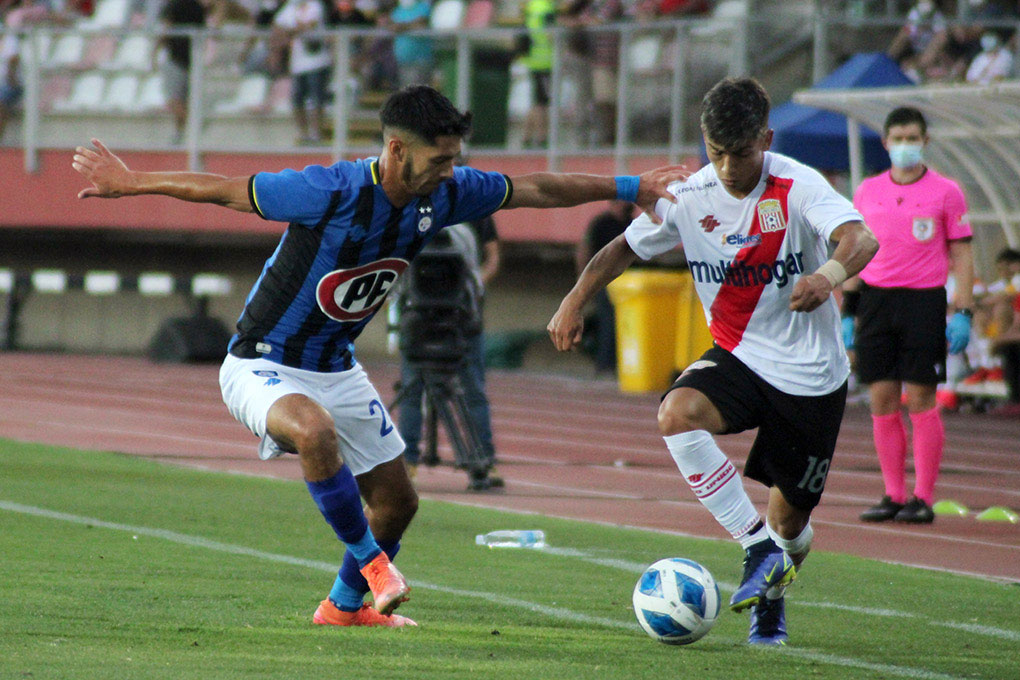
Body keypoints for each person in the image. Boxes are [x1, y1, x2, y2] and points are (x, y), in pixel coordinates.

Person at [72, 84, 685, 629]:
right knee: (315, 432)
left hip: (336, 366)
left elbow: (536, 188)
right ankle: (373, 567)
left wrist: (630, 187)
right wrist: (131, 182)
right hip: (263, 361)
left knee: (398, 501)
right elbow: (224, 191)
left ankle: (343, 608)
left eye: (454, 158)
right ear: (396, 151)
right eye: (439, 159)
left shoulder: (445, 193)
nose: (450, 171)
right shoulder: (330, 190)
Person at [550, 77, 878, 646]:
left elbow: (861, 239)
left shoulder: (798, 185)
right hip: (739, 356)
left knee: (790, 525)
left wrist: (827, 276)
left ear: (765, 140)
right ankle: (756, 549)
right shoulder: (690, 195)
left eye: (741, 153)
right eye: (716, 152)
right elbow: (622, 247)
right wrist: (574, 299)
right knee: (676, 412)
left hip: (811, 376)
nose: (727, 167)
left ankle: (772, 588)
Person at [846, 106, 974, 525]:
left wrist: (963, 310)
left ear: (924, 141)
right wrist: (848, 310)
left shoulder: (946, 191)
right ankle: (893, 493)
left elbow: (962, 254)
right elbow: (855, 249)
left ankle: (923, 497)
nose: (905, 146)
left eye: (912, 138)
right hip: (876, 301)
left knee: (920, 398)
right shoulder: (867, 191)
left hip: (923, 302)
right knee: (881, 398)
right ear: (885, 142)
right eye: (898, 138)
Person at [396, 215, 501, 489]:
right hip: (448, 319)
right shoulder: (423, 218)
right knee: (422, 390)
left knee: (466, 389)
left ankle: (482, 458)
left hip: (449, 320)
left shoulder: (474, 213)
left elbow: (490, 258)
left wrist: (474, 285)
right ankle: (478, 462)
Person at [575, 200, 633, 372]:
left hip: (627, 282)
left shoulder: (630, 223)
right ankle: (605, 364)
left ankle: (621, 364)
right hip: (604, 281)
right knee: (608, 322)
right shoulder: (601, 223)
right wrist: (583, 282)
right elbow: (584, 251)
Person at [273, 0, 333, 145]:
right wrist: (294, 29)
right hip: (298, 63)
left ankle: (316, 133)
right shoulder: (290, 6)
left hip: (317, 61)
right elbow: (278, 26)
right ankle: (303, 133)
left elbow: (309, 24)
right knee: (297, 100)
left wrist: (291, 30)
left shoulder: (315, 5)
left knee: (316, 99)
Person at [153, 0, 208, 146]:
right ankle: (181, 133)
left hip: (176, 58)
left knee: (174, 100)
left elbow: (167, 28)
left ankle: (193, 126)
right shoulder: (198, 7)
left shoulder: (174, 5)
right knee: (183, 100)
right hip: (192, 59)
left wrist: (155, 50)